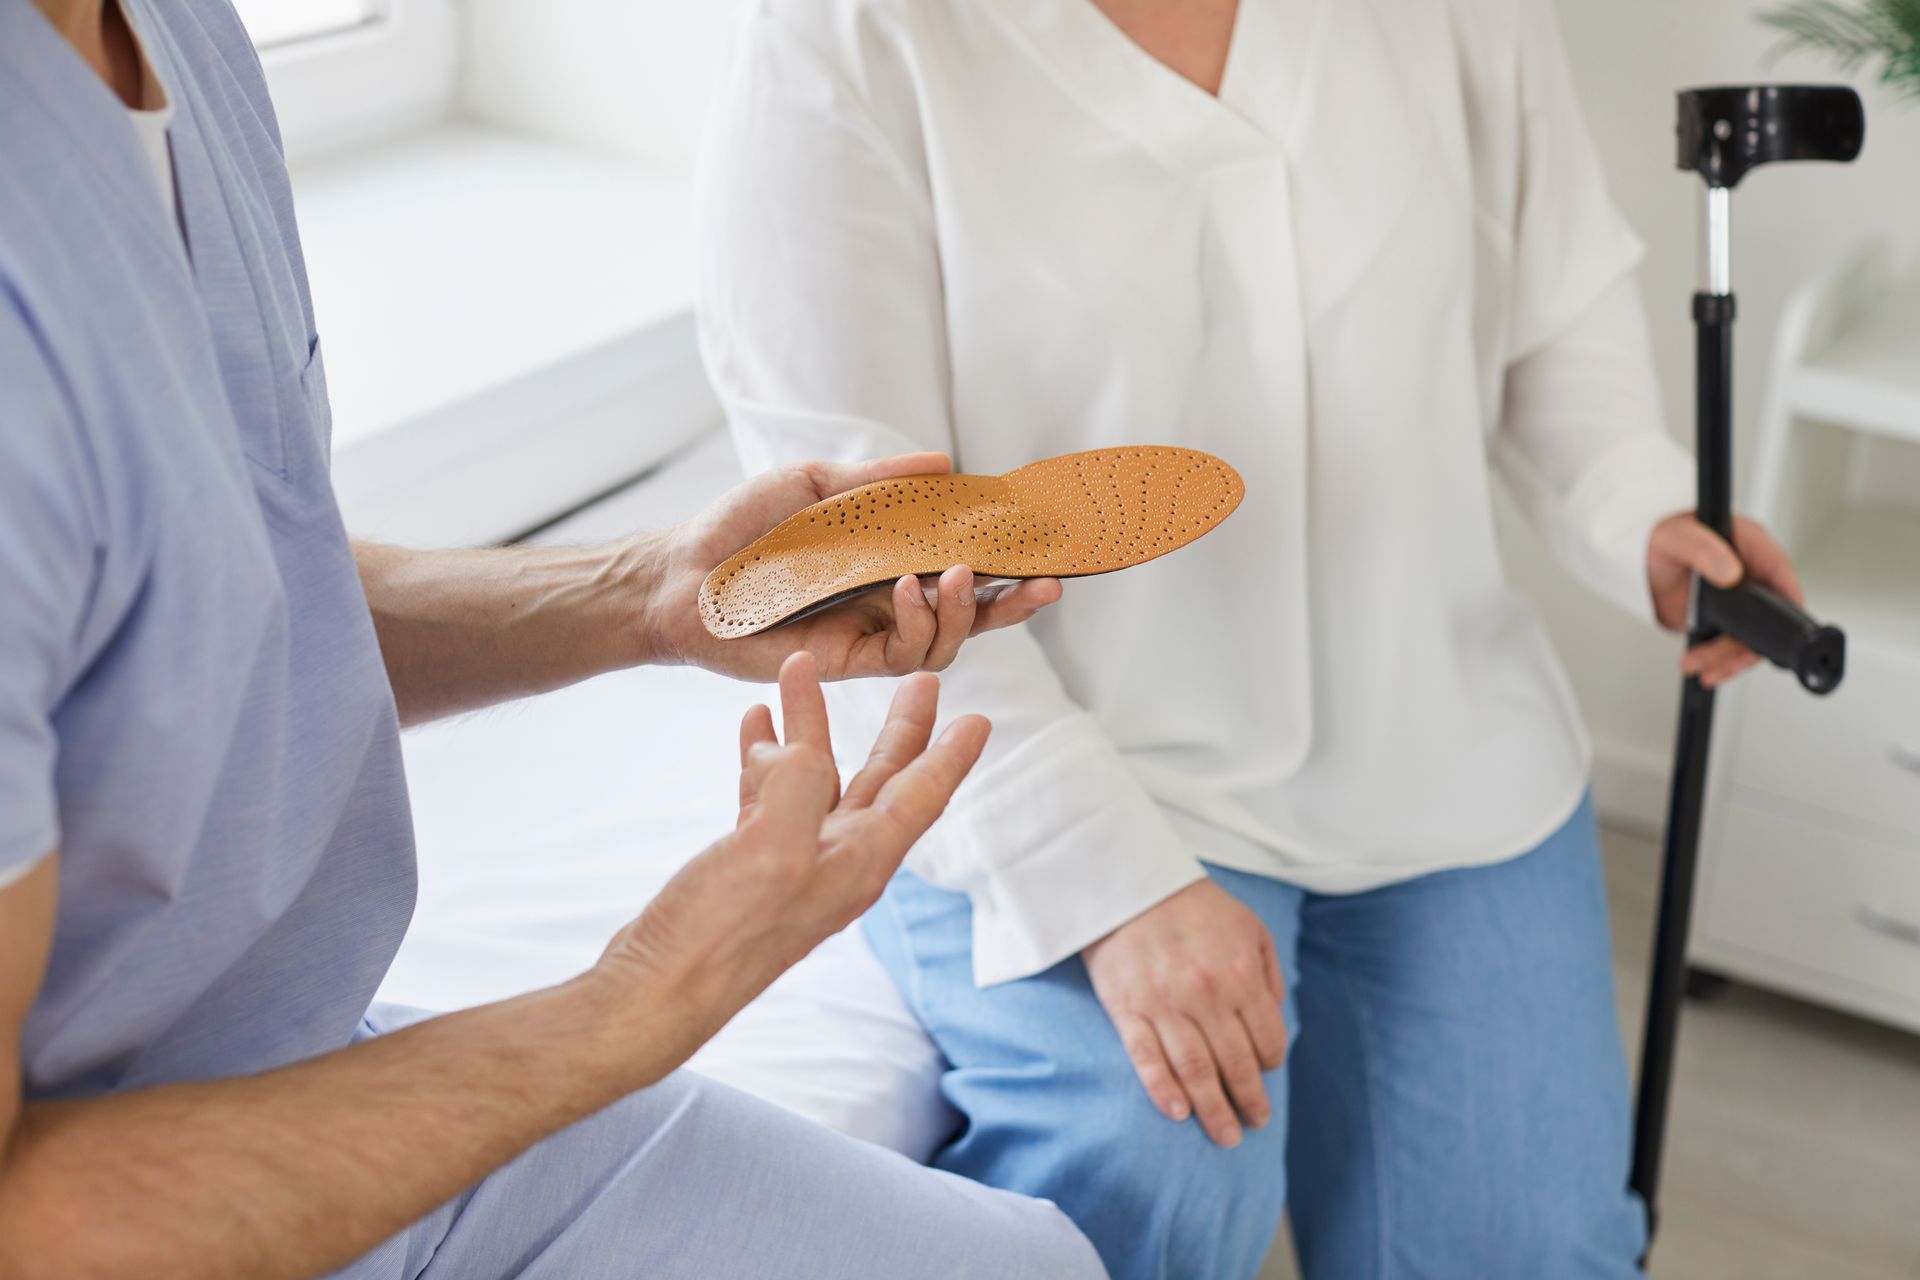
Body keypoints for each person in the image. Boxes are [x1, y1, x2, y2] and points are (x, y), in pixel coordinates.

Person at [694, 0, 1810, 1276]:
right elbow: (857, 552)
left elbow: (1555, 333)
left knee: (1532, 1247)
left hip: (1442, 746)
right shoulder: (839, 34)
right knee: (1156, 1186)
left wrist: (1645, 513)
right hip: (1048, 752)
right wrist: (1105, 880)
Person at [0, 2, 1104, 1278]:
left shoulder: (172, 34)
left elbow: (207, 598)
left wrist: (649, 592)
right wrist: (643, 994)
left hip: (309, 1067)